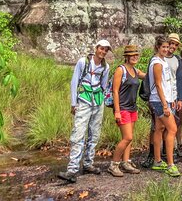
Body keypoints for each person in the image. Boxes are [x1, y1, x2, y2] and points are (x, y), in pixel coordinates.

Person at [58, 39, 111, 183]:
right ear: (96, 48)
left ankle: (88, 163)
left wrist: (103, 102)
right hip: (84, 100)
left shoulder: (106, 67)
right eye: (102, 48)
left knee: (94, 134)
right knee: (78, 133)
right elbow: (74, 81)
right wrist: (73, 103)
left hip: (97, 101)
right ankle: (72, 169)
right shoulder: (83, 62)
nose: (103, 52)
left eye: (106, 50)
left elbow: (104, 85)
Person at [142, 33, 182, 166]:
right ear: (158, 47)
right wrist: (165, 105)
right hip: (160, 100)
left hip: (165, 99)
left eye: (167, 46)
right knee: (172, 129)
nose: (166, 49)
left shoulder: (163, 60)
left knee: (159, 128)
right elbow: (159, 84)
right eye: (163, 47)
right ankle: (171, 164)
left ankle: (157, 160)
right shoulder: (157, 62)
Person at [108, 45, 147, 177]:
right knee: (127, 137)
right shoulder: (121, 70)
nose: (135, 57)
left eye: (136, 54)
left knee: (130, 138)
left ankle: (126, 162)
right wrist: (117, 111)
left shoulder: (135, 70)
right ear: (126, 56)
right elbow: (115, 90)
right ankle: (114, 165)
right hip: (123, 108)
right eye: (132, 55)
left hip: (132, 108)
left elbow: (148, 76)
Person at [164, 33, 182, 156]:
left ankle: (169, 152)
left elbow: (179, 79)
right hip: (160, 96)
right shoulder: (159, 57)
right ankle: (154, 154)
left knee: (171, 126)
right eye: (171, 43)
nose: (173, 46)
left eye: (175, 44)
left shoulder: (177, 59)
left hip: (172, 96)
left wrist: (180, 98)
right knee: (158, 127)